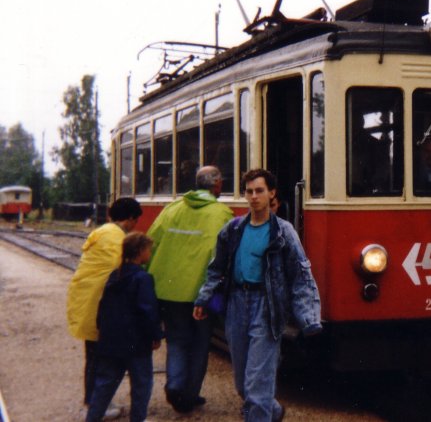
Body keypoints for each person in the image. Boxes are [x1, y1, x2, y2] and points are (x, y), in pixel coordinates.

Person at [193, 169, 322, 422]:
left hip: (267, 308)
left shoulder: (283, 233)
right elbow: (216, 268)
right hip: (237, 306)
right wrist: (204, 298)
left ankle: (262, 411)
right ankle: (272, 412)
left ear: (271, 193)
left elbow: (301, 276)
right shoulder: (233, 230)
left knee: (258, 388)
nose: (254, 197)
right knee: (243, 386)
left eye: (260, 191)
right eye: (249, 192)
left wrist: (308, 317)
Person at [146, 166, 233, 413]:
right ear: (216, 185)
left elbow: (151, 243)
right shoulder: (222, 214)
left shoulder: (172, 209)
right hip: (202, 295)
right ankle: (190, 394)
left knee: (176, 340)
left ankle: (174, 385)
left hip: (169, 292)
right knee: (200, 344)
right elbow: (226, 255)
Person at [67, 197, 142, 420]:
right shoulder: (115, 237)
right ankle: (96, 403)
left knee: (93, 355)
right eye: (135, 221)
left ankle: (93, 399)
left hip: (86, 301)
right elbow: (121, 270)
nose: (135, 225)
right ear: (129, 219)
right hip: (96, 305)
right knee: (99, 358)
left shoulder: (104, 231)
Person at [85, 232, 163, 422]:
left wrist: (102, 331)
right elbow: (148, 310)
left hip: (111, 341)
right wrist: (156, 335)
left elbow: (102, 307)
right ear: (140, 252)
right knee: (141, 384)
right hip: (136, 344)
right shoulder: (143, 278)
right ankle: (138, 419)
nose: (150, 254)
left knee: (105, 384)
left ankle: (92, 418)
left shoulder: (114, 275)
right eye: (148, 250)